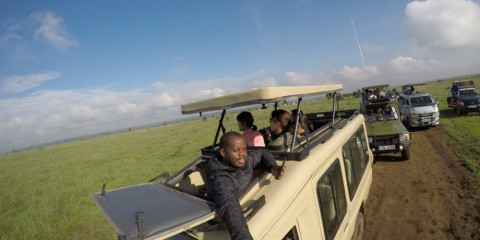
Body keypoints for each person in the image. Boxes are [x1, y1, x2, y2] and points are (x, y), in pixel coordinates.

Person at [207, 132, 286, 240]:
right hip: (225, 222)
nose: (243, 154)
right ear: (223, 152)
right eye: (236, 150)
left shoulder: (243, 162)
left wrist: (272, 167)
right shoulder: (221, 179)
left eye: (244, 149)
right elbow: (231, 208)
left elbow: (262, 153)